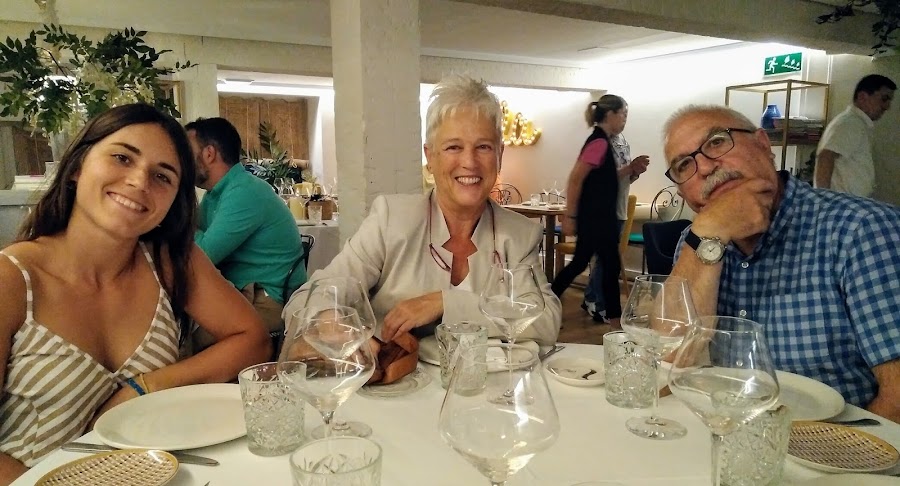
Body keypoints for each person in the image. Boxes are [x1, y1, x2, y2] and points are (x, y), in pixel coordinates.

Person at [0, 104, 271, 483]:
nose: (140, 181)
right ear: (77, 166)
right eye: (122, 158)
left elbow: (254, 340)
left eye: (162, 176)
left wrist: (144, 386)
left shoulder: (168, 261)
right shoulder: (12, 279)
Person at [283, 75, 561, 346]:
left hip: (488, 377)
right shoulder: (391, 220)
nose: (469, 161)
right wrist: (336, 327)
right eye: (453, 147)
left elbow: (547, 321)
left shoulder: (520, 234)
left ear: (499, 154)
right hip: (396, 375)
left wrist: (445, 303)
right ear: (430, 157)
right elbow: (309, 299)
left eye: (484, 147)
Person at [663, 104, 900, 422]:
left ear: (764, 144)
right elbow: (670, 357)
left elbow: (897, 397)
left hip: (834, 443)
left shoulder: (862, 228)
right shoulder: (697, 240)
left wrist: (840, 449)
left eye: (717, 142)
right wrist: (710, 233)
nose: (704, 167)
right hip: (726, 430)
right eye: (684, 165)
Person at [185, 117, 307, 351]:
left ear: (209, 154)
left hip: (270, 298)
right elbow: (192, 237)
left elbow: (202, 255)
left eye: (186, 151)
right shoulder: (215, 194)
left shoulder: (244, 192)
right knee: (179, 325)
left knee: (195, 343)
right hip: (240, 289)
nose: (181, 159)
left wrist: (181, 221)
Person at [552, 95, 640, 327]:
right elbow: (576, 179)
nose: (625, 120)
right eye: (623, 114)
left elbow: (601, 180)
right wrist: (570, 216)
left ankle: (546, 303)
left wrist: (630, 170)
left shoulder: (602, 142)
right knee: (607, 266)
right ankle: (616, 322)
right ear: (610, 114)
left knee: (586, 264)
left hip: (600, 219)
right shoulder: (599, 143)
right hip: (596, 220)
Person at [582, 113, 649, 322]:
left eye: (626, 115)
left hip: (618, 207)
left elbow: (623, 179)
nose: (624, 120)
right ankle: (598, 303)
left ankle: (591, 298)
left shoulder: (622, 142)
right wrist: (629, 168)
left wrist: (634, 172)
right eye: (621, 115)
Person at [815, 74, 896, 198]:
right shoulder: (851, 123)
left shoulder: (858, 123)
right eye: (884, 99)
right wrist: (823, 199)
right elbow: (826, 157)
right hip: (842, 203)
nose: (887, 107)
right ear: (862, 97)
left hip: (848, 202)